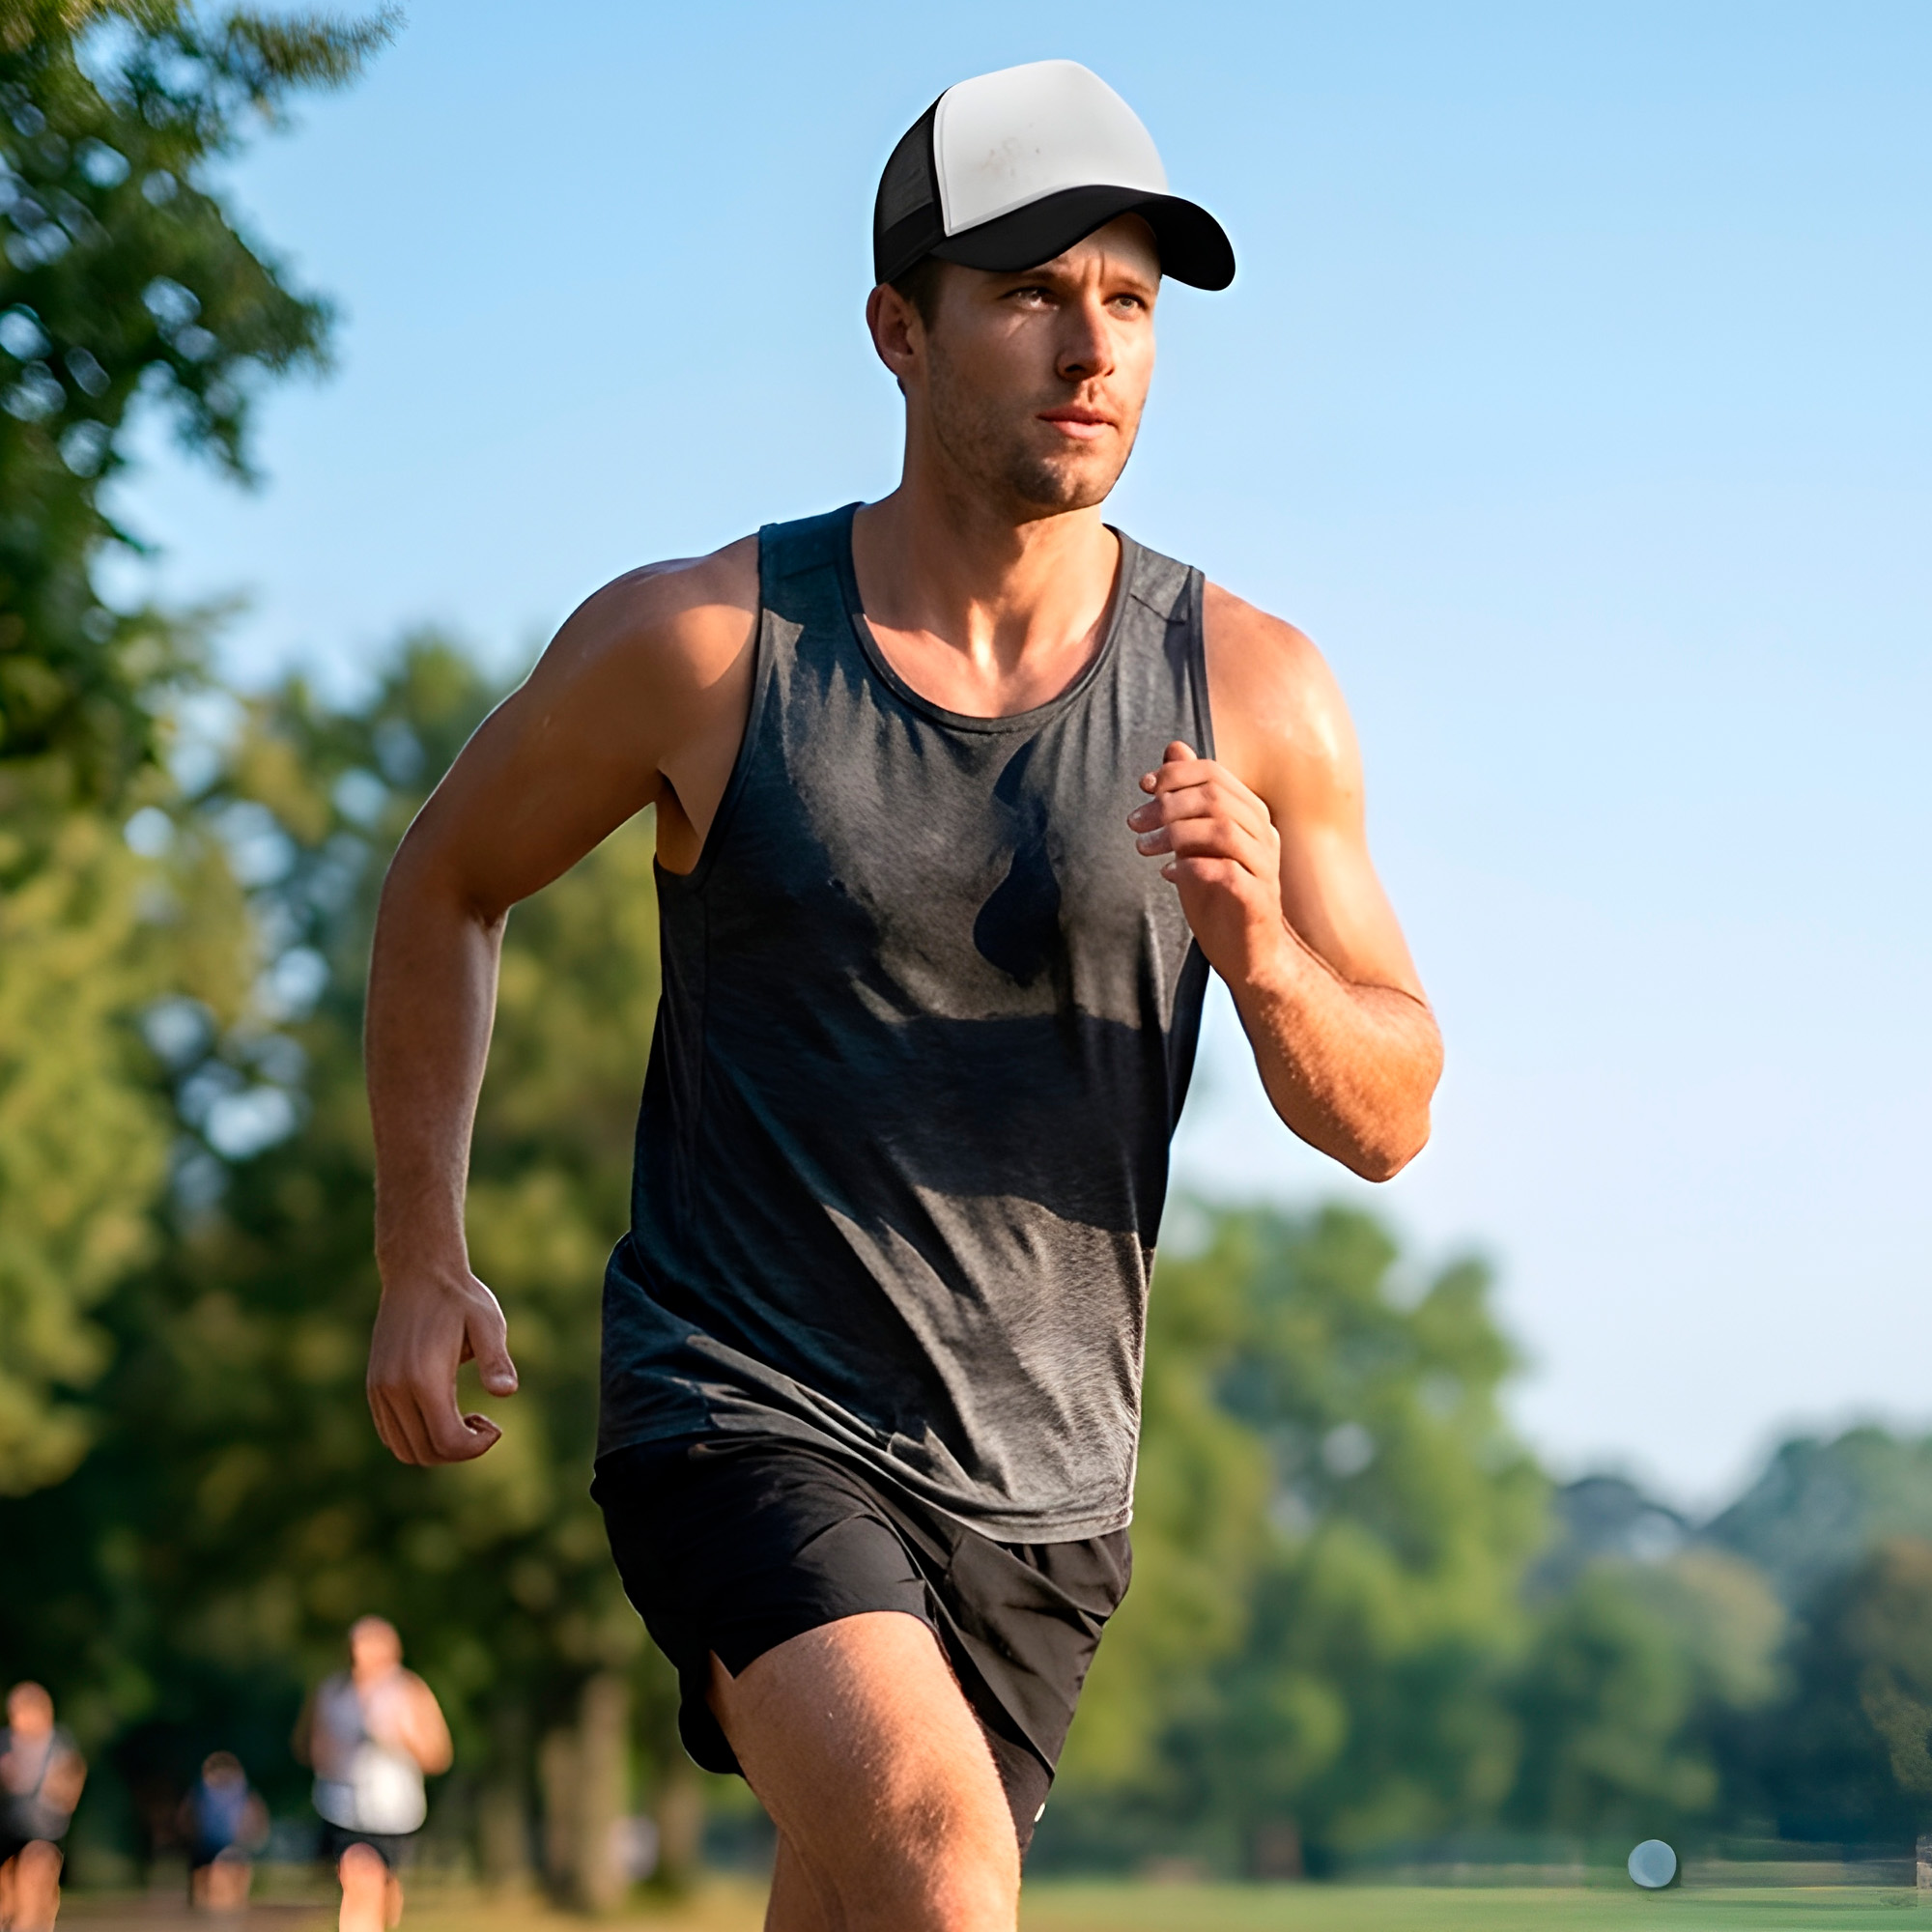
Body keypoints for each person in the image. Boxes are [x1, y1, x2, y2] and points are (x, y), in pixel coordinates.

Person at [363, 56, 1441, 1932]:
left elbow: (1390, 1110)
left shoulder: (1257, 689)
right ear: (897, 328)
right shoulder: (701, 646)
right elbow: (447, 882)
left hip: (1045, 1478)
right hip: (740, 1399)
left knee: (861, 1894)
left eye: (1126, 299)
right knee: (938, 1866)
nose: (1088, 347)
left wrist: (1260, 952)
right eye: (1028, 292)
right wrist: (418, 1251)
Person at [294, 1617, 451, 1932]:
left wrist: (399, 1737)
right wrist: (326, 1752)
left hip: (395, 1812)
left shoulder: (411, 1691)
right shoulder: (332, 1692)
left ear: (394, 1651)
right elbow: (306, 1746)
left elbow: (439, 1755)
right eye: (362, 1644)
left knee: (383, 1895)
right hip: (342, 1809)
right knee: (361, 1877)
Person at [0, 1683, 85, 1932]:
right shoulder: (5, 1743)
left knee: (34, 1870)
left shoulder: (60, 1744)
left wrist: (57, 1786)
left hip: (44, 1832)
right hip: (7, 1831)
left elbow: (70, 1791)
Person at [179, 1751, 269, 1914]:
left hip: (213, 1843)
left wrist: (188, 1834)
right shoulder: (242, 1789)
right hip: (224, 1843)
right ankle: (223, 1910)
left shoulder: (201, 1789)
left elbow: (186, 1814)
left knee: (207, 1885)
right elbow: (256, 1814)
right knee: (226, 1883)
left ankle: (209, 1911)